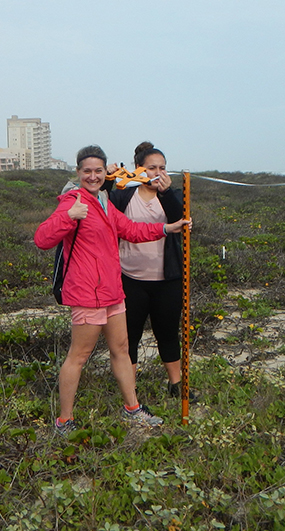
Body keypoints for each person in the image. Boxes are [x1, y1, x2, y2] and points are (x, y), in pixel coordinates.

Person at [34, 145, 191, 435]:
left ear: (105, 172)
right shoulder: (73, 200)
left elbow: (131, 229)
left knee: (121, 349)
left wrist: (168, 229)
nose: (93, 176)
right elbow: (42, 238)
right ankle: (64, 420)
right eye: (86, 171)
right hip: (86, 292)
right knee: (79, 356)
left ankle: (132, 408)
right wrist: (69, 215)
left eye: (98, 171)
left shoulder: (106, 203)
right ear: (78, 173)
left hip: (112, 290)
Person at [108, 142, 187, 399]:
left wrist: (165, 194)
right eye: (151, 168)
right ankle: (129, 391)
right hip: (129, 278)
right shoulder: (124, 194)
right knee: (128, 337)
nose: (158, 173)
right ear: (138, 169)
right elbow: (104, 209)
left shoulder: (173, 195)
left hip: (168, 278)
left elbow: (181, 220)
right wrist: (109, 178)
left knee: (167, 333)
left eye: (163, 168)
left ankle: (176, 385)